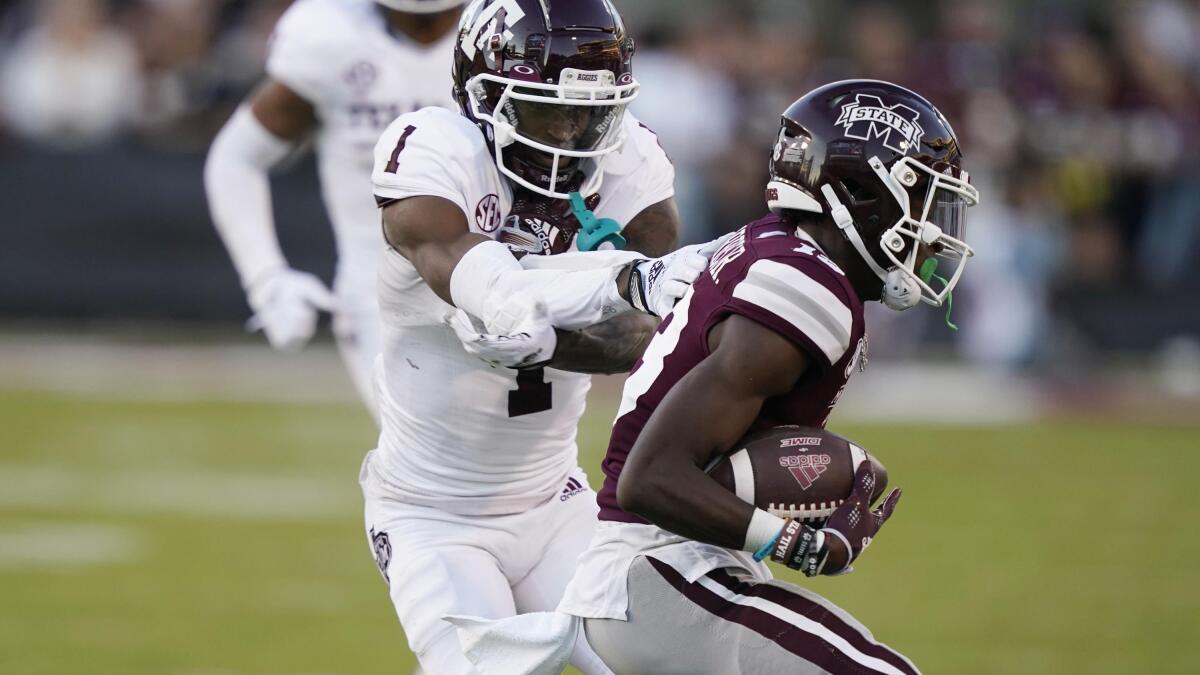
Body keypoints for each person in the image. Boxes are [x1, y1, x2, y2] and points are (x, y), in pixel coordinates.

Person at [450, 79, 981, 674]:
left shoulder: (780, 254)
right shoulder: (807, 286)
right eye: (921, 201)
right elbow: (650, 479)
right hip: (660, 576)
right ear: (858, 193)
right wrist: (799, 544)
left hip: (675, 573)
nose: (934, 229)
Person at [359, 0, 710, 672]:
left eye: (592, 113)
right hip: (434, 517)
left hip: (557, 503)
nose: (575, 134)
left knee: (668, 661)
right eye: (551, 110)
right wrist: (623, 278)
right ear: (486, 98)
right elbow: (486, 285)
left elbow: (644, 334)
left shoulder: (628, 163)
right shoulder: (434, 153)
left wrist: (554, 337)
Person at [205, 0, 468, 419]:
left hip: (496, 282)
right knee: (440, 469)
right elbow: (236, 157)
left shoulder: (509, 32)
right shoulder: (332, 36)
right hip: (381, 298)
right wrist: (265, 277)